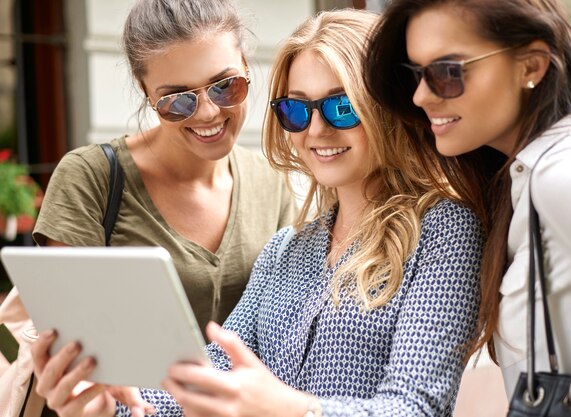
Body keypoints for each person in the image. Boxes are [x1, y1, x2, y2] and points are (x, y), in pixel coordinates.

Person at [31, 8, 485, 417]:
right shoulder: (285, 250)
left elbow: (417, 406)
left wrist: (291, 410)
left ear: (384, 105)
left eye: (342, 106)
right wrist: (111, 409)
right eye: (296, 110)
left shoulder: (445, 230)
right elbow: (203, 382)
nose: (317, 130)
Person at [364, 0, 571, 414]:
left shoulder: (570, 171)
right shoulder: (522, 180)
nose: (420, 95)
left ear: (532, 66)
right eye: (415, 74)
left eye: (447, 72)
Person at [31, 0, 298, 333]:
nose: (207, 113)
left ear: (245, 66)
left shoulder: (270, 182)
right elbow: (69, 332)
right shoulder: (90, 177)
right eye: (177, 100)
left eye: (225, 86)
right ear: (146, 92)